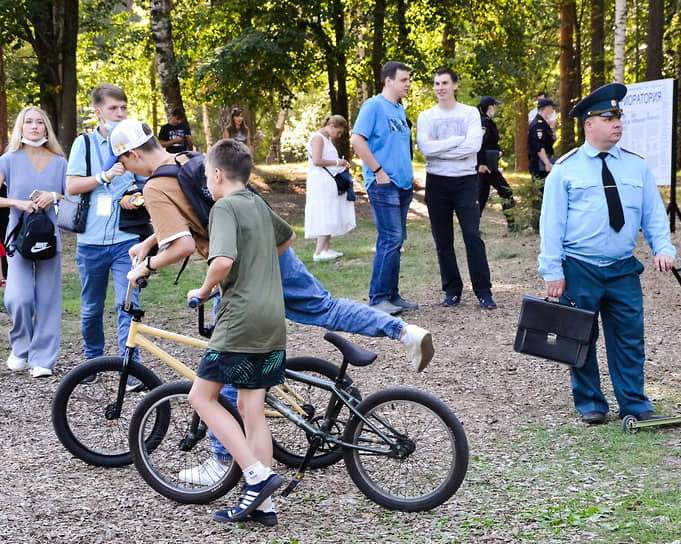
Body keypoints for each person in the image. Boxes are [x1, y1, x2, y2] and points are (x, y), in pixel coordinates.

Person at [106, 119, 433, 488]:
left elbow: (182, 244)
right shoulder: (187, 158)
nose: (125, 170)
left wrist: (143, 267)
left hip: (234, 267)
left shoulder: (153, 187)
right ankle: (404, 331)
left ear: (132, 154)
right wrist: (149, 242)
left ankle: (221, 459)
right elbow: (187, 218)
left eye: (123, 162)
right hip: (268, 247)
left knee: (224, 363)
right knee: (323, 307)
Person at [538, 83, 676, 425]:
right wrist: (552, 270)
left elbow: (653, 214)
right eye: (608, 116)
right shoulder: (566, 170)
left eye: (618, 116)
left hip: (622, 268)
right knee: (579, 336)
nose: (617, 122)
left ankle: (634, 401)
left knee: (629, 337)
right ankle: (590, 402)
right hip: (579, 266)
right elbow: (551, 224)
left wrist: (663, 247)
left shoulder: (636, 167)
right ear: (589, 124)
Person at [180, 139, 294, 525]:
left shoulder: (225, 207)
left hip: (241, 318)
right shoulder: (257, 204)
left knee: (201, 396)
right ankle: (264, 506)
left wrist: (204, 289)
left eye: (206, 178)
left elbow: (224, 260)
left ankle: (256, 475)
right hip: (272, 318)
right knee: (250, 408)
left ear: (215, 174)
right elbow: (287, 237)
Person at [65, 84, 143, 384]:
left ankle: (131, 369)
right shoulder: (83, 144)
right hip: (90, 243)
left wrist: (136, 195)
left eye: (123, 108)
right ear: (98, 112)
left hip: (126, 239)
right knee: (90, 308)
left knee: (127, 305)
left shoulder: (132, 141)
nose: (120, 113)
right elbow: (71, 186)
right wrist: (104, 177)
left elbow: (142, 181)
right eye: (113, 108)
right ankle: (93, 362)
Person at [416, 68, 497, 310]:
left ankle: (484, 291)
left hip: (465, 182)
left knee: (472, 236)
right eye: (436, 83)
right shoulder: (426, 116)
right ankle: (452, 290)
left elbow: (472, 146)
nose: (440, 87)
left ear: (455, 86)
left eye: (444, 83)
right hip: (436, 182)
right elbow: (426, 150)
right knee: (443, 240)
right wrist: (454, 142)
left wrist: (441, 149)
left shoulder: (470, 113)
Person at [0, 106, 67, 377]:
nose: (35, 126)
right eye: (28, 121)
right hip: (18, 236)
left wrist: (53, 195)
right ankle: (20, 347)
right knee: (19, 298)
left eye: (40, 122)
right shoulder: (8, 160)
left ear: (46, 127)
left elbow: (70, 194)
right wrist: (17, 202)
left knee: (48, 299)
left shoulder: (60, 162)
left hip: (49, 236)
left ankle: (43, 359)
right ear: (21, 126)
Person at [350, 61, 417, 316]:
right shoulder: (373, 106)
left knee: (396, 241)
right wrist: (378, 171)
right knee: (390, 238)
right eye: (404, 80)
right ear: (388, 80)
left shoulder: (399, 109)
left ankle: (392, 295)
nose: (408, 84)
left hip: (401, 185)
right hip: (383, 185)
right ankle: (378, 299)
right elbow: (357, 139)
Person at [305, 115, 355, 262]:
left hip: (327, 180)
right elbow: (317, 160)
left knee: (330, 210)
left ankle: (325, 248)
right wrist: (338, 162)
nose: (339, 136)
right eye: (338, 132)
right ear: (331, 126)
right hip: (319, 180)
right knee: (323, 211)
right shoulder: (318, 138)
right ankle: (319, 251)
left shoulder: (327, 140)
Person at [476, 96, 516, 231]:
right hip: (487, 166)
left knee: (481, 197)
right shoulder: (483, 123)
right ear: (489, 107)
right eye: (495, 105)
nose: (496, 108)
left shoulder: (489, 122)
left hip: (490, 163)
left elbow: (492, 143)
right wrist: (481, 163)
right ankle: (511, 224)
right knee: (506, 191)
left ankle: (473, 227)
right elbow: (479, 144)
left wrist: (499, 151)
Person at [527, 97, 559, 182]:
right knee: (543, 189)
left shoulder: (544, 123)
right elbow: (539, 147)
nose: (553, 111)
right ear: (547, 108)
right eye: (552, 108)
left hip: (544, 161)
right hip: (539, 163)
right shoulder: (538, 124)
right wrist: (547, 163)